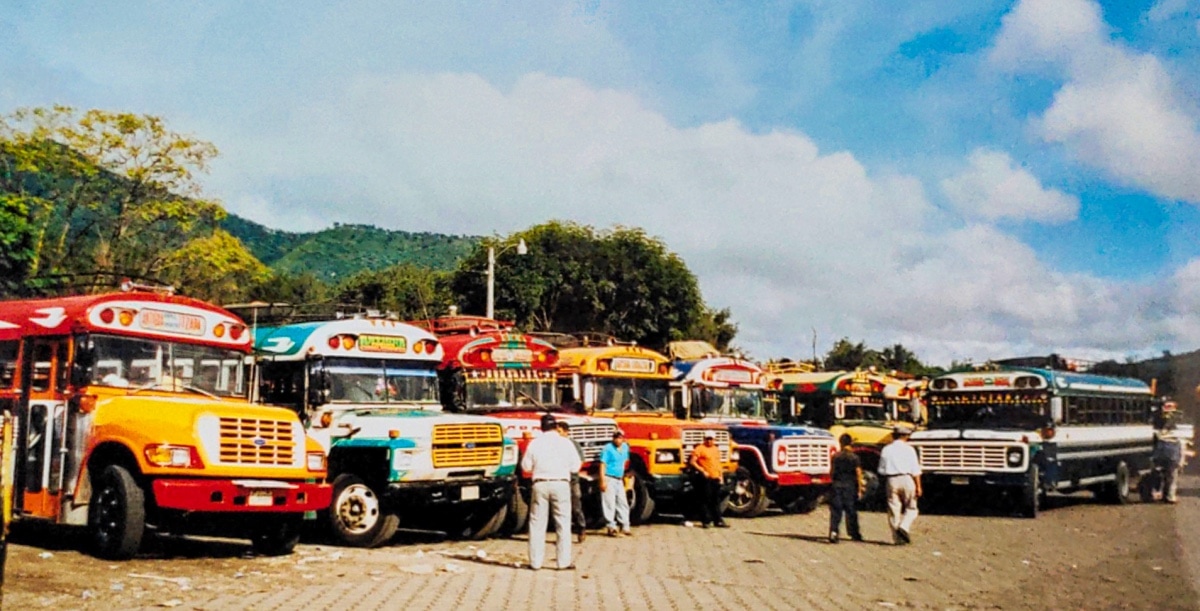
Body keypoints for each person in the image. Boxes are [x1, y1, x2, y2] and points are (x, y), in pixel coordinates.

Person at [521, 414, 583, 570]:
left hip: (540, 483)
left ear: (541, 427)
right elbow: (575, 466)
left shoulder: (535, 443)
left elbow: (526, 466)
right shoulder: (566, 443)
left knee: (537, 523)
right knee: (563, 523)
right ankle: (563, 562)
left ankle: (535, 563)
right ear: (556, 426)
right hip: (561, 483)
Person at [878, 425, 922, 544]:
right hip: (907, 479)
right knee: (912, 508)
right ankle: (904, 527)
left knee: (894, 508)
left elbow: (881, 469)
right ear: (906, 436)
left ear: (893, 435)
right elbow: (915, 469)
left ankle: (897, 539)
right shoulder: (910, 449)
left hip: (891, 480)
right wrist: (919, 486)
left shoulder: (886, 449)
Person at [688, 432, 728, 528]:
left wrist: (721, 476)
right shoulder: (700, 449)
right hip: (705, 478)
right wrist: (702, 471)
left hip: (715, 477)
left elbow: (718, 463)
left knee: (716, 500)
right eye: (707, 439)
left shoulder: (715, 449)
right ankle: (706, 521)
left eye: (711, 439)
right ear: (704, 439)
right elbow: (692, 462)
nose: (709, 441)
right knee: (705, 499)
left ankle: (718, 520)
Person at [556, 420, 588, 543]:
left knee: (576, 505)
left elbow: (580, 461)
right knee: (560, 508)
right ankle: (563, 534)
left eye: (559, 431)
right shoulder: (555, 444)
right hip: (559, 479)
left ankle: (581, 528)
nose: (557, 434)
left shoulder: (573, 444)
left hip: (572, 480)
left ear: (566, 432)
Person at [828, 434, 863, 543]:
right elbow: (858, 474)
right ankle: (854, 533)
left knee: (836, 510)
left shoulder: (835, 456)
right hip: (850, 486)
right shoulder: (854, 457)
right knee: (851, 510)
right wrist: (860, 488)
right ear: (851, 443)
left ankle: (834, 532)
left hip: (837, 485)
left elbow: (831, 472)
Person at [598, 430, 632, 536]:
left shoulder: (625, 447)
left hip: (619, 478)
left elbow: (625, 462)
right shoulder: (608, 448)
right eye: (616, 438)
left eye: (620, 438)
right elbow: (602, 464)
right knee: (609, 503)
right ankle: (611, 526)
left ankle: (625, 525)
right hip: (609, 477)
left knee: (622, 502)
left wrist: (628, 478)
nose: (618, 440)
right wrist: (602, 480)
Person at [1153, 421, 1185, 503]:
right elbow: (1182, 452)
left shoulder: (1161, 438)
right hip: (1173, 460)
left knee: (1162, 479)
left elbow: (1157, 450)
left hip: (1162, 460)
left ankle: (1161, 495)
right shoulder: (1178, 438)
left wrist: (1156, 461)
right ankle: (1170, 497)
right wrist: (1181, 463)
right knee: (1172, 479)